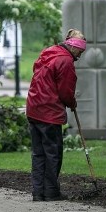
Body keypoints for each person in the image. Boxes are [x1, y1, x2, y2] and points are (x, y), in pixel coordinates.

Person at [25, 29, 87, 201]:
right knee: (53, 153)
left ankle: (38, 192)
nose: (80, 56)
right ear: (74, 47)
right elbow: (65, 91)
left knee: (38, 153)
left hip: (33, 108)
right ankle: (51, 192)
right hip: (49, 112)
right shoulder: (66, 61)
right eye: (80, 52)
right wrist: (72, 103)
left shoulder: (48, 52)